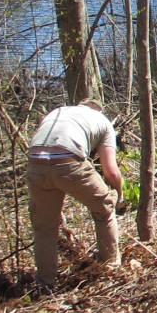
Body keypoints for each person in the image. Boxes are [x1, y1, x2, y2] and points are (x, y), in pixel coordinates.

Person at [26, 100, 123, 289]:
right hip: (68, 162)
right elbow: (110, 171)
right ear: (99, 110)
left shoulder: (57, 112)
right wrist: (119, 193)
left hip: (35, 165)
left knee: (44, 228)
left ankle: (45, 283)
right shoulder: (103, 122)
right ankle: (111, 269)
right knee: (104, 210)